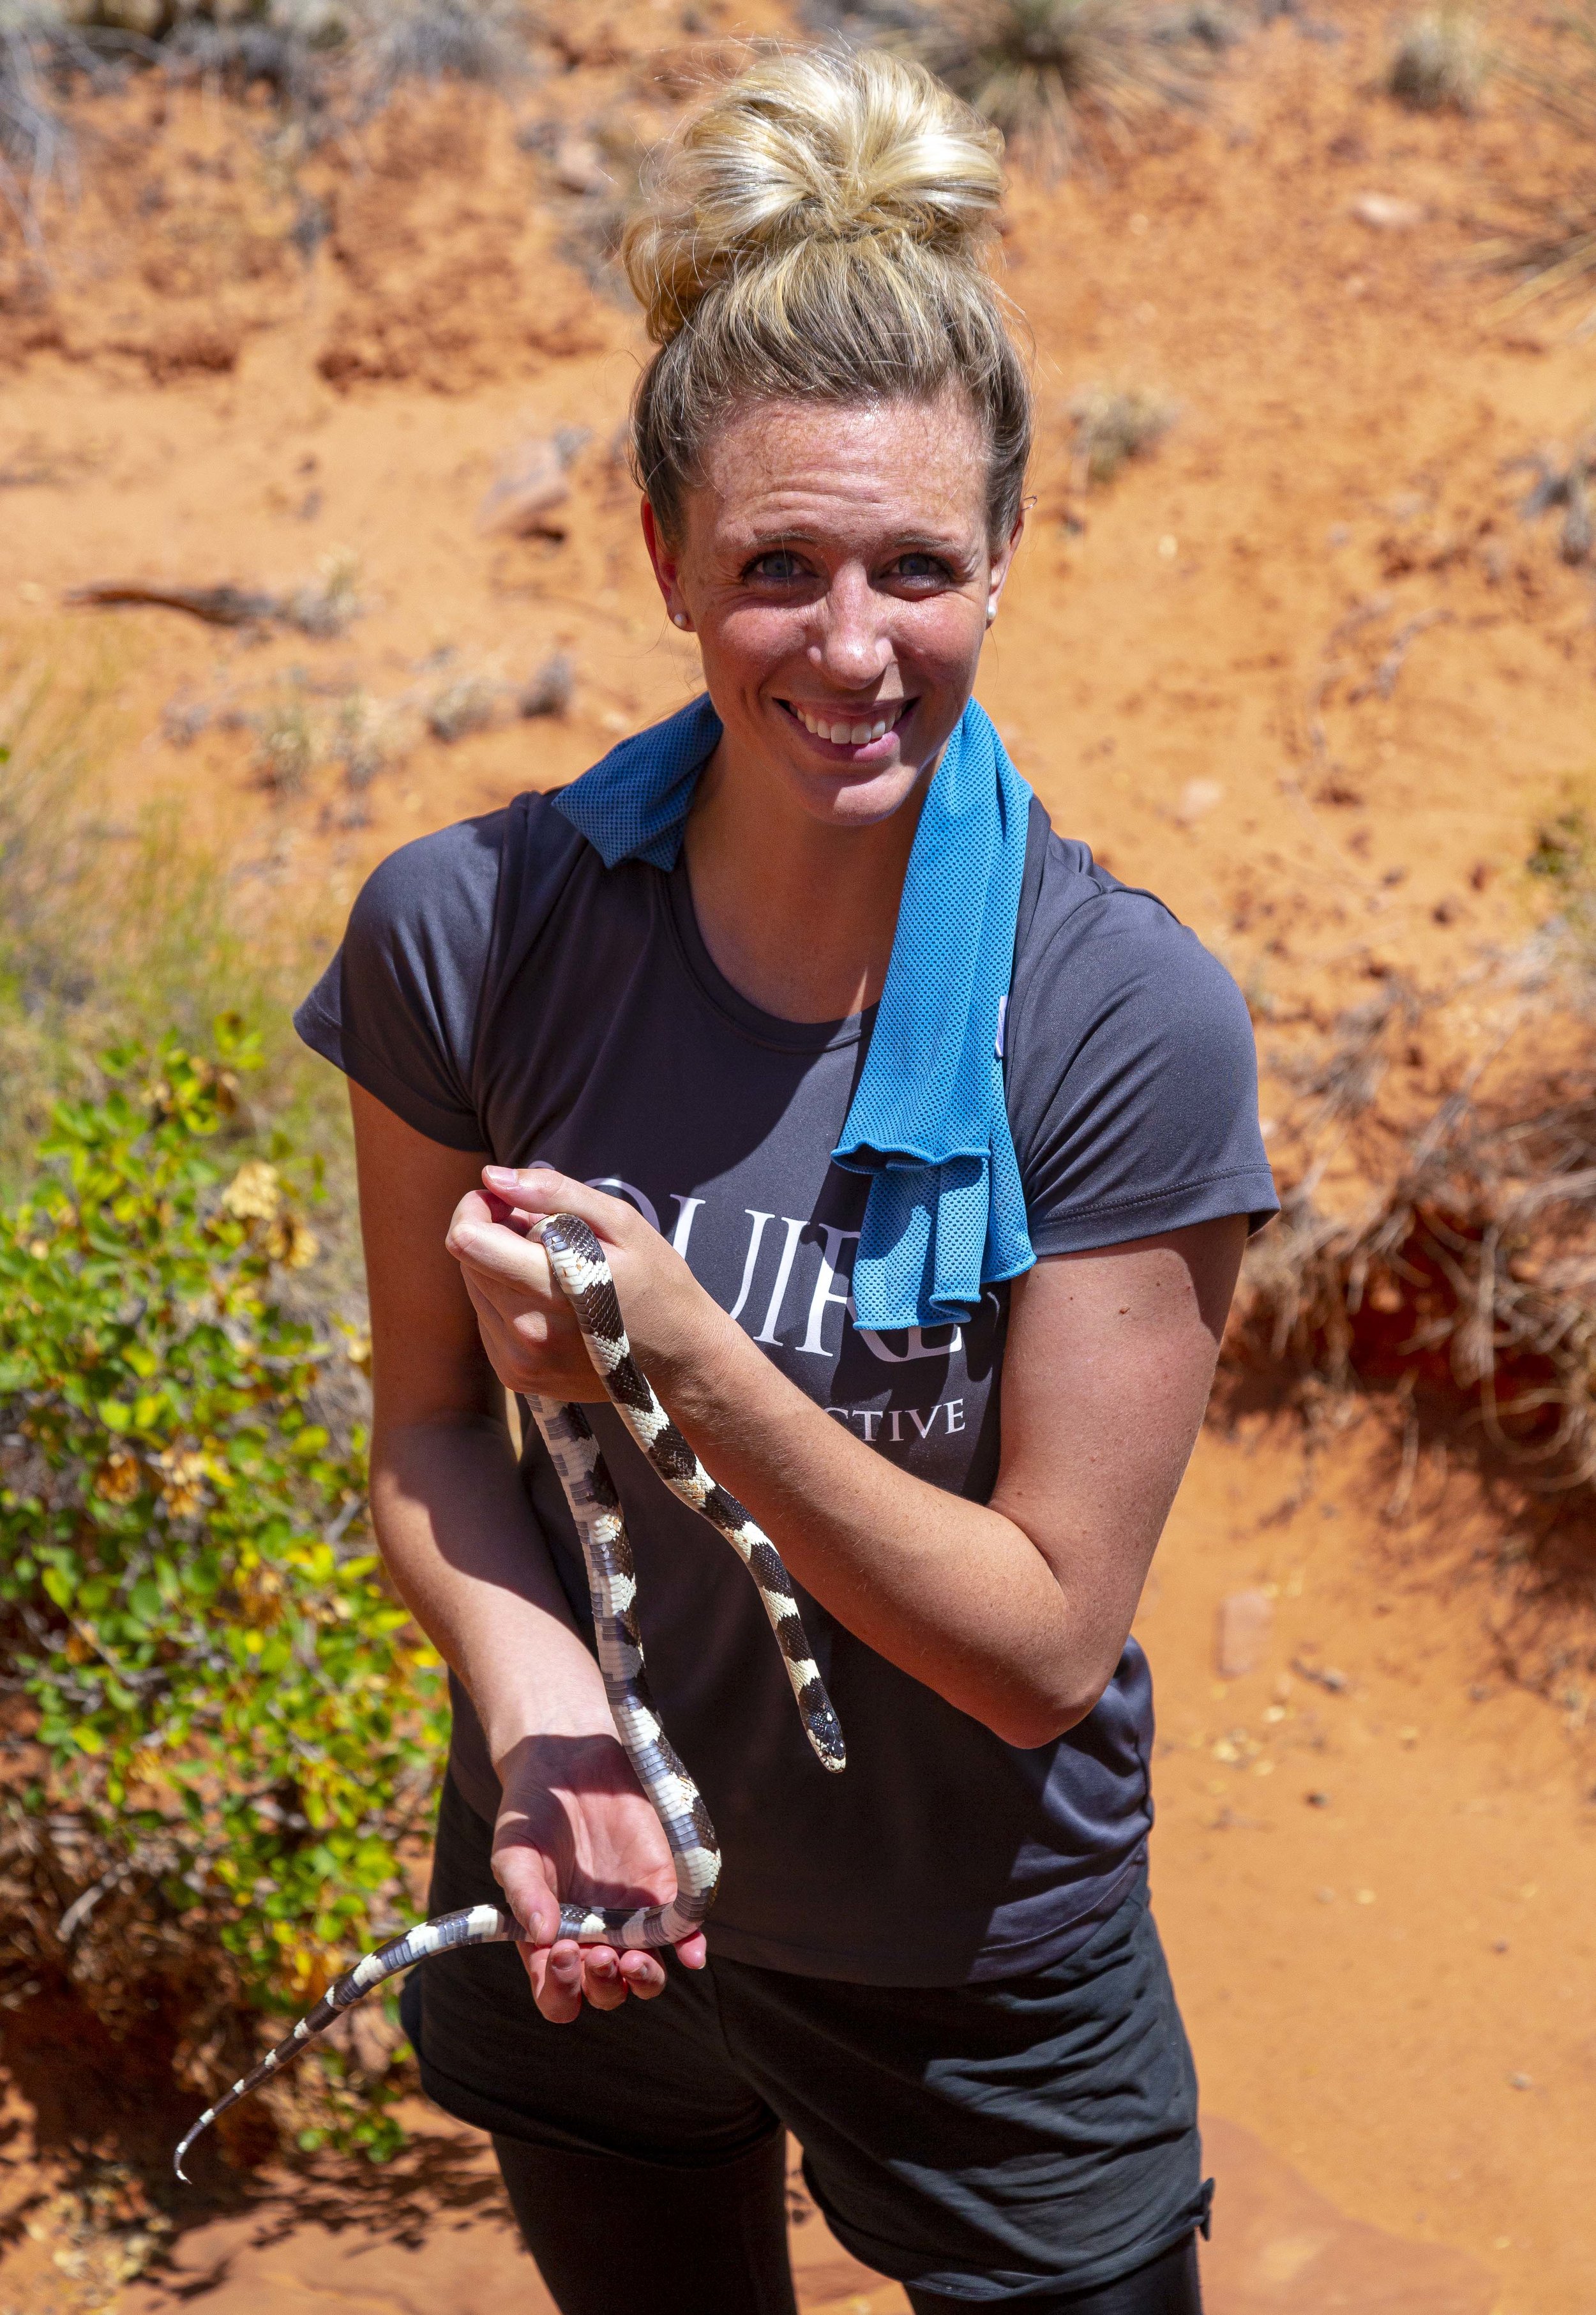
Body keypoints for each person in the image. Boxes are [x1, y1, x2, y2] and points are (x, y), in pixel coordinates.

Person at [295, 44, 1277, 2315]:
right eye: (777, 569)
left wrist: (683, 1351)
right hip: (591, 1901)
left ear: (1004, 554)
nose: (853, 648)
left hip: (976, 1978)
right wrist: (547, 1732)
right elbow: (432, 1426)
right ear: (663, 556)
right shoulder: (470, 931)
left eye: (917, 567)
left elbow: (1039, 1646)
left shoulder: (1118, 1020)